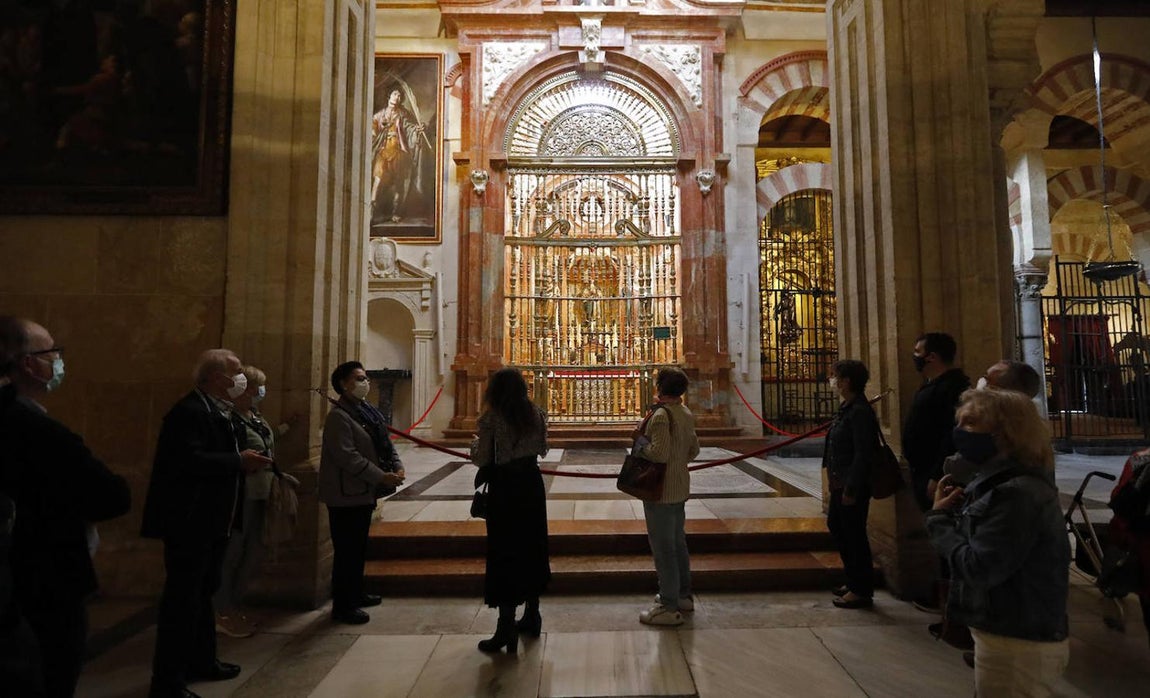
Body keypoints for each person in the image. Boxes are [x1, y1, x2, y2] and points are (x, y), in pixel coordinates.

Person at [0, 317, 131, 698]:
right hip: (44, 581)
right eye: (52, 351)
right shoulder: (36, 430)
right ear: (28, 364)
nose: (58, 360)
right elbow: (111, 495)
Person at [141, 349, 273, 698]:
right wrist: (237, 460)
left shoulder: (217, 410)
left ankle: (203, 661)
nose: (241, 378)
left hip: (213, 522)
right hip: (189, 522)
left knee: (203, 596)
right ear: (216, 377)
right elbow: (187, 461)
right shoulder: (188, 412)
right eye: (237, 371)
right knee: (181, 603)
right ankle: (167, 682)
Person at [926, 389, 1070, 697]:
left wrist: (938, 522)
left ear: (1005, 433)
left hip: (1018, 639)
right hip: (1006, 630)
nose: (959, 432)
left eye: (971, 423)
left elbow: (980, 567)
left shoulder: (1016, 494)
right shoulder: (999, 483)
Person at [470, 367, 550, 653]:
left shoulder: (492, 418)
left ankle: (506, 626)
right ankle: (532, 614)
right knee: (532, 545)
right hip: (531, 484)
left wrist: (474, 445)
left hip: (506, 488)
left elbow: (483, 459)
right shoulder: (537, 413)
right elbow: (543, 449)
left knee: (505, 550)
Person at [214, 365, 296, 639]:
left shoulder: (255, 416)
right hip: (242, 495)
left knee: (254, 551)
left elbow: (265, 438)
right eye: (255, 387)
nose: (261, 391)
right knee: (233, 552)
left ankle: (235, 605)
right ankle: (222, 610)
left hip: (263, 492)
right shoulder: (228, 420)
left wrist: (287, 426)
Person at [319, 361, 404, 625]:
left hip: (361, 492)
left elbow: (383, 442)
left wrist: (397, 464)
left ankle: (355, 593)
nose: (365, 382)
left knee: (357, 548)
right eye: (359, 378)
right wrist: (381, 476)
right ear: (344, 384)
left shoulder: (365, 411)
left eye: (366, 377)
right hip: (345, 494)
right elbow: (347, 457)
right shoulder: (338, 417)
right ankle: (343, 606)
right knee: (346, 550)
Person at [631, 366, 701, 627]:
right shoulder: (684, 412)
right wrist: (677, 459)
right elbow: (693, 450)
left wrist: (640, 443)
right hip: (680, 487)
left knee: (663, 548)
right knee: (677, 543)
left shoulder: (661, 416)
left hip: (661, 490)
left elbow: (658, 454)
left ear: (660, 387)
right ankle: (683, 595)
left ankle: (668, 605)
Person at [822, 359, 879, 609]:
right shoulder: (849, 408)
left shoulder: (859, 412)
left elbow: (864, 453)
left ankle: (861, 589)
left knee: (854, 534)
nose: (831, 380)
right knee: (838, 526)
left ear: (846, 381)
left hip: (850, 484)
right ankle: (853, 579)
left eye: (834, 376)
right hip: (840, 481)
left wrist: (852, 488)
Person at [371, 87, 427, 224]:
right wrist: (377, 130)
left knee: (399, 183)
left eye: (399, 95)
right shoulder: (379, 115)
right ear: (389, 96)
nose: (398, 97)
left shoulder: (403, 114)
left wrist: (417, 129)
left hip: (398, 150)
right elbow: (373, 131)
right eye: (395, 94)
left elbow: (409, 128)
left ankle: (396, 212)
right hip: (384, 151)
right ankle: (371, 211)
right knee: (377, 181)